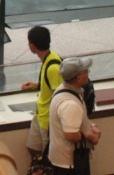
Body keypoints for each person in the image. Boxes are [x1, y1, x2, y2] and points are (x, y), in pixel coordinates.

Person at [48, 57, 101, 175]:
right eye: (86, 71)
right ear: (79, 78)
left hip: (64, 160)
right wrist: (90, 137)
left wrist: (91, 125)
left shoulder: (64, 90)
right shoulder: (70, 104)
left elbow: (77, 119)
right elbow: (71, 135)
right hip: (70, 163)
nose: (88, 73)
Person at [19, 26, 61, 161]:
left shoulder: (53, 67)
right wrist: (37, 85)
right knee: (32, 147)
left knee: (47, 158)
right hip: (40, 116)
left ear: (32, 46)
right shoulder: (48, 59)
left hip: (48, 121)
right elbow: (52, 85)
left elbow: (59, 96)